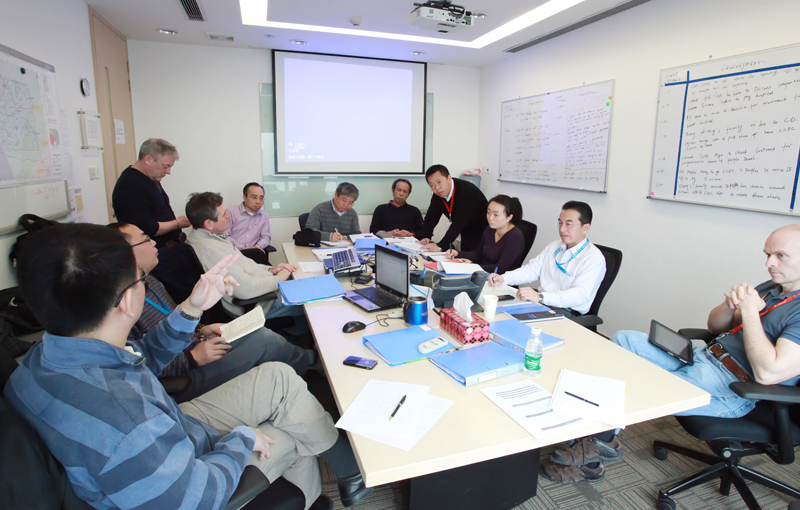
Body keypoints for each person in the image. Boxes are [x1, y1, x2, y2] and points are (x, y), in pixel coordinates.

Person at [3, 223, 372, 509]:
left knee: (279, 378)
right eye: (140, 279)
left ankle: (346, 474)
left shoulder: (45, 355)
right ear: (128, 301)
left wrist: (192, 308)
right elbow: (194, 498)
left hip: (169, 424)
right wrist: (242, 439)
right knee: (290, 435)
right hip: (175, 461)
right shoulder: (123, 420)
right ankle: (321, 490)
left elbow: (140, 357)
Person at [539, 223, 800, 484]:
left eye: (780, 256)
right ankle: (595, 432)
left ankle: (594, 454)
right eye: (767, 254)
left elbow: (768, 373)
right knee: (624, 339)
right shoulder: (771, 286)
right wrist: (729, 305)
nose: (769, 263)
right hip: (704, 356)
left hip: (731, 387)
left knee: (635, 385)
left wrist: (750, 312)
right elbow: (715, 327)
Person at [112, 222, 316, 403]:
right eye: (146, 239)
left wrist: (202, 330)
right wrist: (191, 357)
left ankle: (307, 360)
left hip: (195, 346)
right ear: (124, 253)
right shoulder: (119, 306)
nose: (154, 243)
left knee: (256, 332)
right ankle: (311, 361)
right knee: (265, 340)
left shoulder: (149, 280)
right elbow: (134, 364)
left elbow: (171, 324)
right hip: (182, 375)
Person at [186, 192, 303, 320]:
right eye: (224, 214)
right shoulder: (212, 250)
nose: (229, 215)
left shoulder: (209, 237)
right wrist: (279, 279)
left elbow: (245, 266)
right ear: (209, 224)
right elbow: (246, 289)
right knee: (310, 297)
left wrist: (271, 270)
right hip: (256, 304)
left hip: (262, 289)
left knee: (301, 282)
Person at [112, 138, 195, 302]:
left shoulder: (150, 177)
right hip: (159, 253)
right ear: (148, 159)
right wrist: (177, 223)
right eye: (166, 166)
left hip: (172, 248)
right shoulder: (130, 185)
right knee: (185, 297)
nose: (168, 172)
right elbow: (146, 228)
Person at [488, 201, 605, 316]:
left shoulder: (593, 258)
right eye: (560, 223)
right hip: (542, 302)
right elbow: (531, 270)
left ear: (586, 228)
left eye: (569, 224)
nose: (562, 229)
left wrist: (540, 297)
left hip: (566, 311)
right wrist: (504, 278)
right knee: (496, 310)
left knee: (508, 319)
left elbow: (579, 295)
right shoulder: (554, 246)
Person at [445, 195, 526, 274]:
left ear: (509, 217)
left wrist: (473, 267)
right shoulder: (490, 229)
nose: (490, 218)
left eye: (496, 215)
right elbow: (478, 254)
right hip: (483, 274)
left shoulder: (515, 237)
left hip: (500, 279)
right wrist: (457, 254)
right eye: (488, 212)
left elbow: (500, 269)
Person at [417, 164, 488, 252]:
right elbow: (431, 218)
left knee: (474, 257)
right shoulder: (438, 195)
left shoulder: (466, 191)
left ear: (449, 178)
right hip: (466, 232)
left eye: (439, 182)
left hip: (483, 233)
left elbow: (459, 222)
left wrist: (441, 246)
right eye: (432, 185)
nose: (437, 188)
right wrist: (425, 236)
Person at [226, 182, 273, 265]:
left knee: (259, 257)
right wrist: (242, 247)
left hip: (255, 254)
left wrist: (258, 246)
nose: (258, 201)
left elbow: (266, 237)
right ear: (244, 197)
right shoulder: (231, 212)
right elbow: (225, 236)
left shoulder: (264, 215)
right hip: (234, 252)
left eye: (261, 198)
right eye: (254, 197)